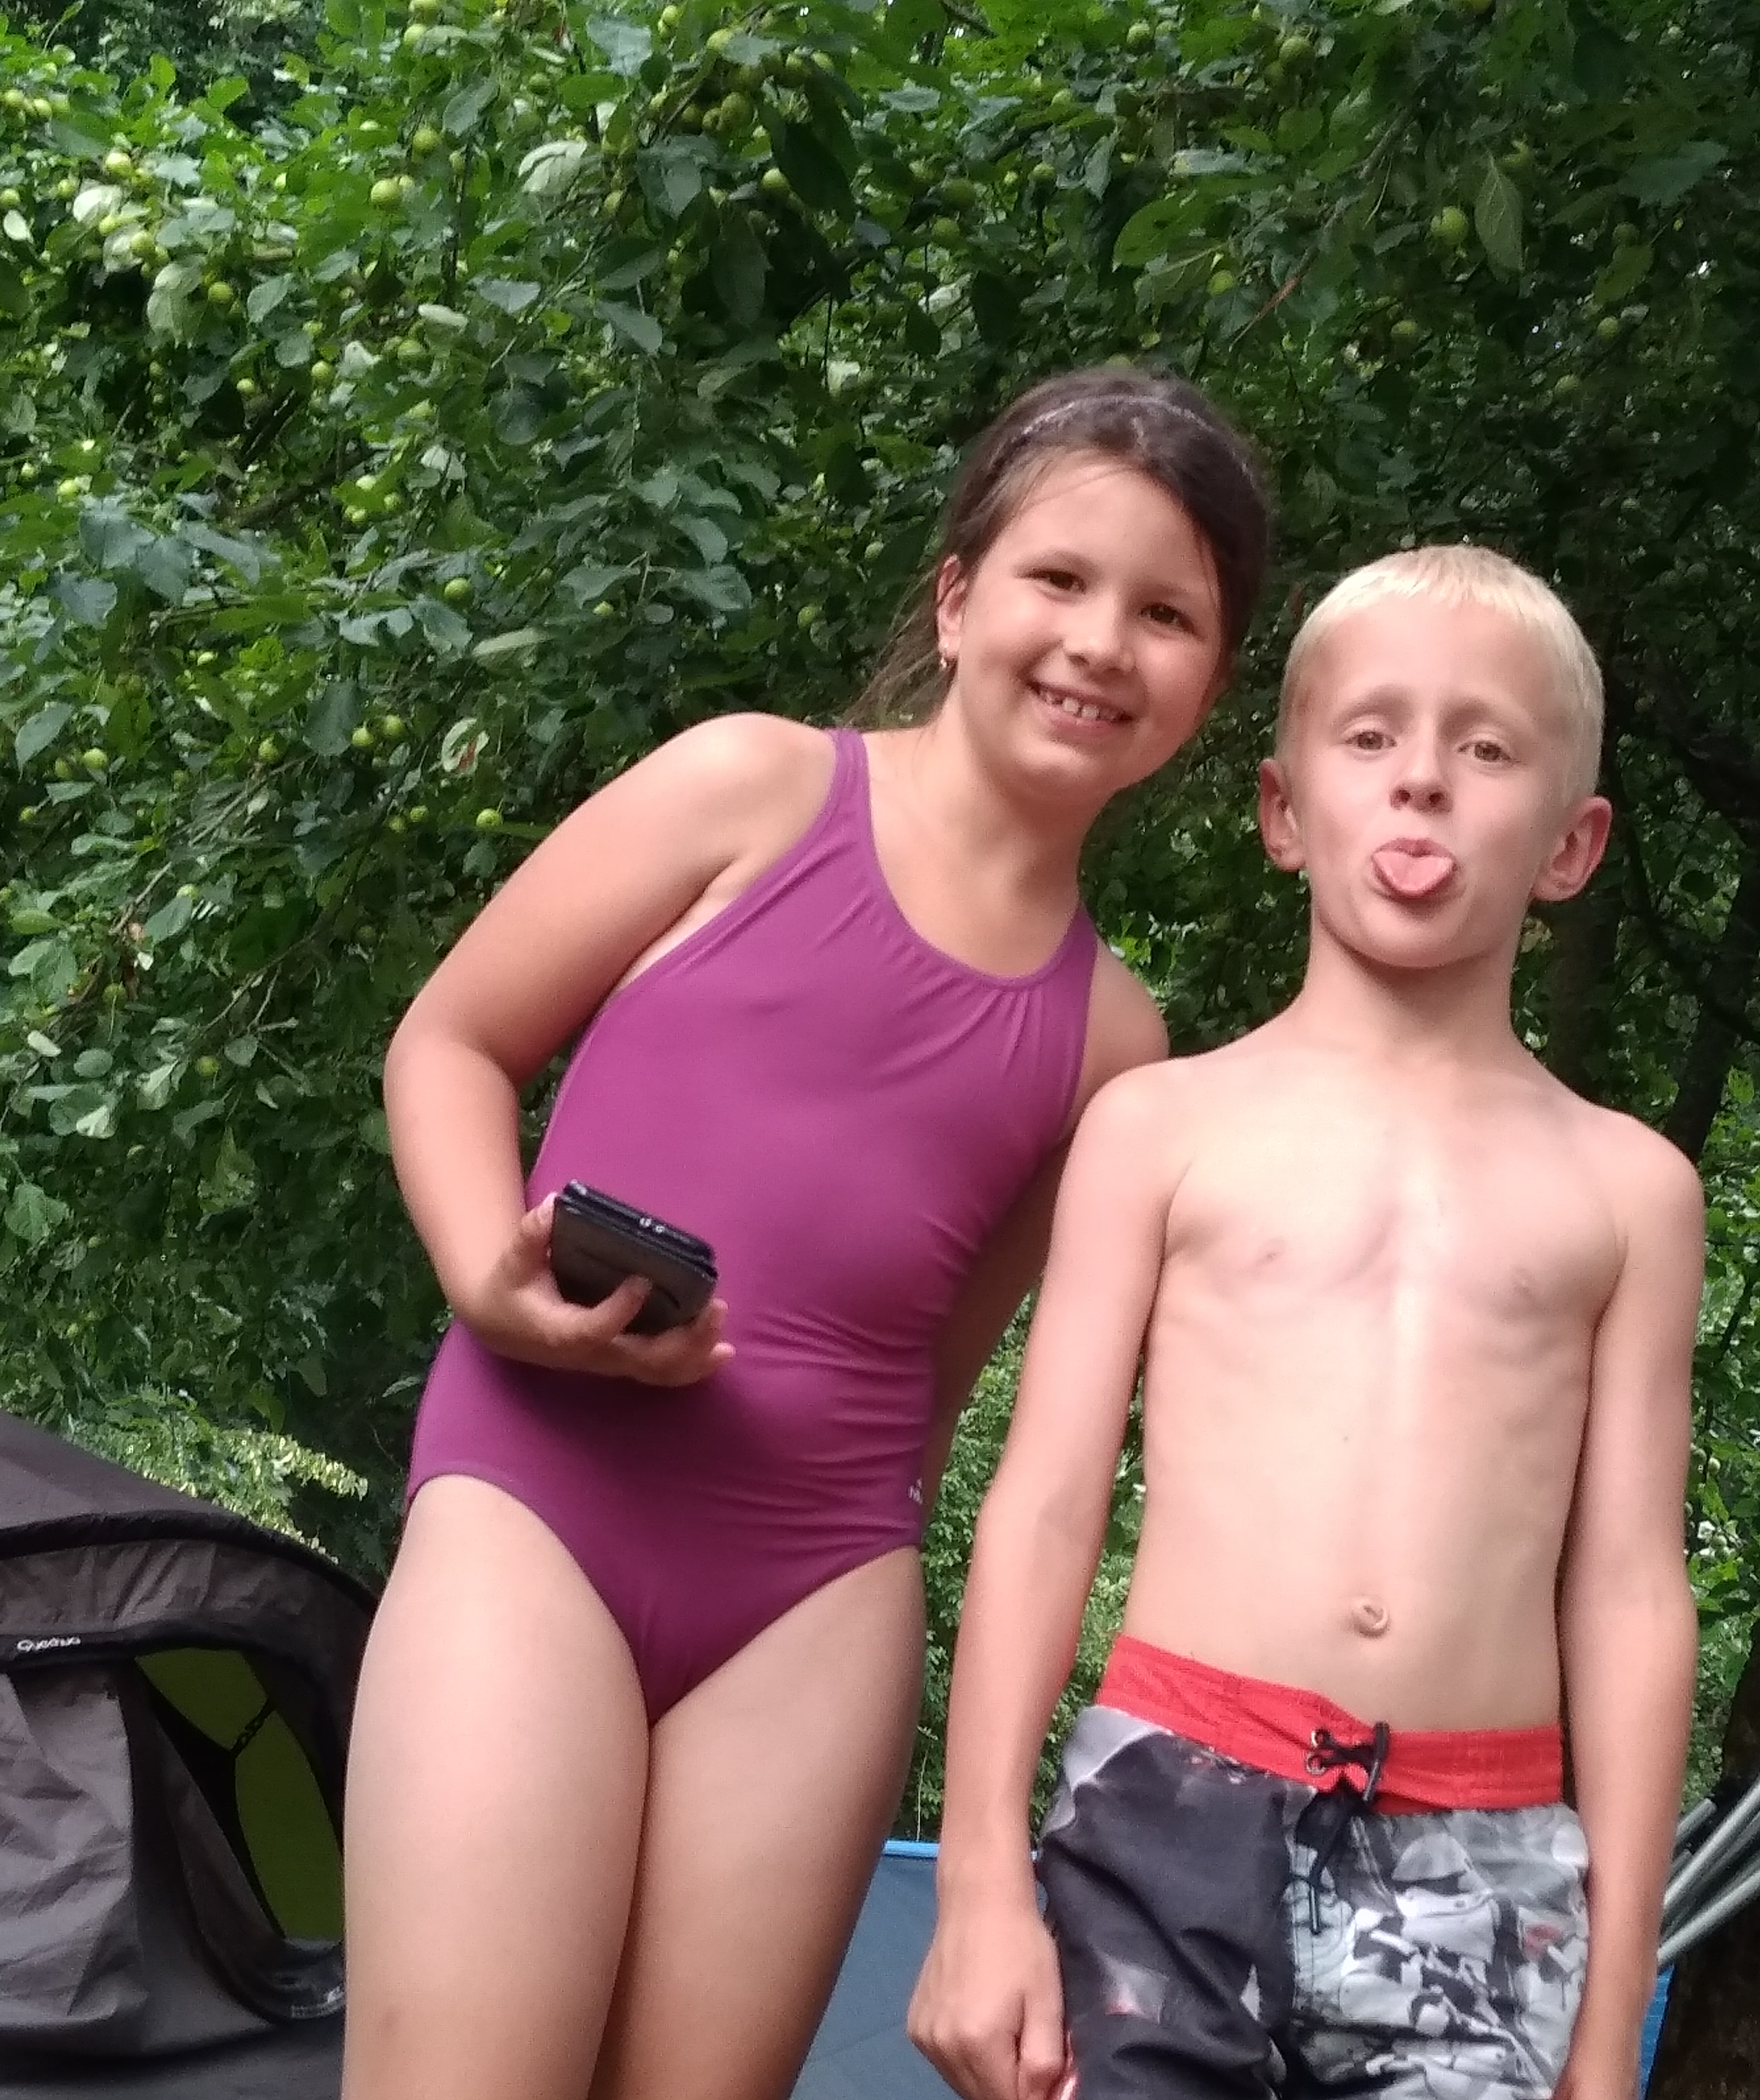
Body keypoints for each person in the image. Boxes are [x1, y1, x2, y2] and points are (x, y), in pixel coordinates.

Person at [343, 368, 1273, 2100]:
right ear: (957, 598)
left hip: (813, 1599)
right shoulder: (748, 787)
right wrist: (488, 1276)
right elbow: (449, 1045)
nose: (1099, 641)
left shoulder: (1114, 1045)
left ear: (1209, 689)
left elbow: (938, 1375)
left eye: (1166, 615)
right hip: (538, 1493)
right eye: (1059, 579)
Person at [909, 545, 1703, 2100]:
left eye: (1486, 748)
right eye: (1371, 736)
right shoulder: (1159, 1128)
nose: (1422, 780)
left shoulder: (1630, 1192)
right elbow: (1046, 1504)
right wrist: (977, 1882)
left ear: (1571, 843)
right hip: (1163, 1820)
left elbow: (1629, 1596)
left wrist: (1609, 2035)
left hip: (1481, 1875)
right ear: (1283, 812)